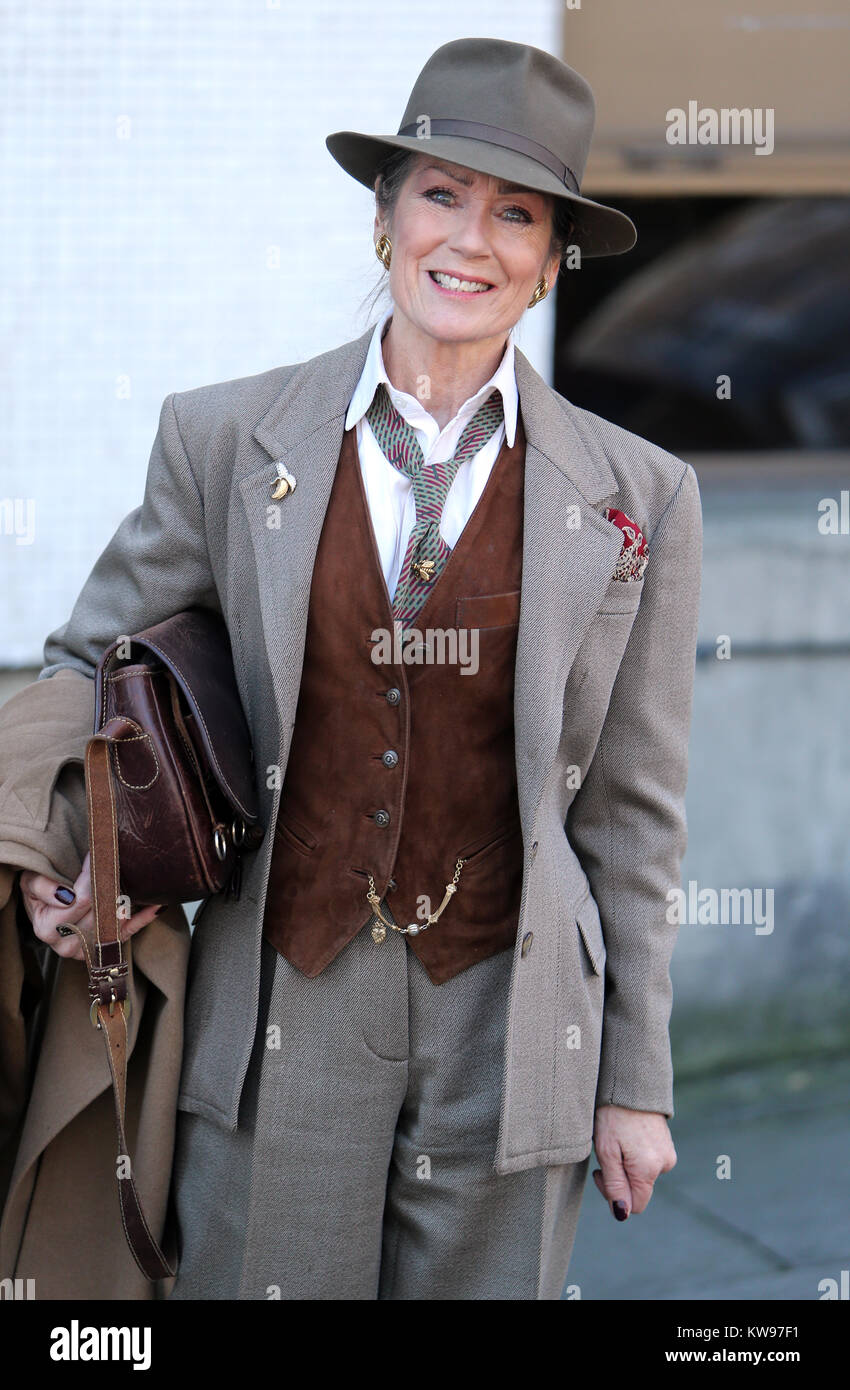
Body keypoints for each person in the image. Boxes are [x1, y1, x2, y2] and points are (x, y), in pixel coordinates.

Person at [7, 37, 701, 1299]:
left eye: (516, 213)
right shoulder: (223, 439)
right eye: (440, 193)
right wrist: (56, 848)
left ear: (552, 262)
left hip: (512, 1017)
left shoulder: (640, 494)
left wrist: (634, 1082)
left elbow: (634, 815)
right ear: (384, 220)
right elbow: (85, 662)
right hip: (282, 1005)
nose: (471, 238)